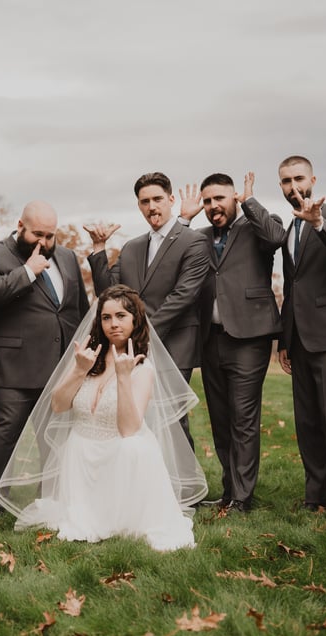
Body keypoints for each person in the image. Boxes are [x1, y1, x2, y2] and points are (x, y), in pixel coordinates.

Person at [0, 285, 207, 551]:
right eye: (106, 317)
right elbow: (58, 406)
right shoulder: (88, 357)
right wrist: (79, 370)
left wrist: (123, 377)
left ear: (135, 320)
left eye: (121, 316)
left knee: (132, 446)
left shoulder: (142, 366)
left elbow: (129, 428)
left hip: (122, 456)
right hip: (81, 456)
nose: (113, 324)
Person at [253, 155, 326, 516]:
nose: (293, 186)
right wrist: (285, 340)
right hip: (299, 339)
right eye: (285, 181)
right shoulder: (289, 228)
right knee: (307, 420)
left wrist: (319, 224)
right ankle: (315, 495)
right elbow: (293, 285)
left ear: (313, 178)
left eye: (298, 178)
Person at [177, 172, 285, 512]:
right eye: (207, 201)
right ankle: (229, 490)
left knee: (243, 418)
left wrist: (251, 201)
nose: (212, 206)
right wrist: (183, 218)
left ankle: (242, 496)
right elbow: (170, 254)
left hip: (249, 337)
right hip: (210, 340)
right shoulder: (199, 236)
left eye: (218, 199)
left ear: (234, 198)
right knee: (221, 419)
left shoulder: (257, 224)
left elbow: (276, 237)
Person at [0, 201, 89, 511]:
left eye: (50, 235)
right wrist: (27, 272)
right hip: (14, 367)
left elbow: (76, 309)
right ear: (20, 225)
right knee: (5, 436)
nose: (44, 242)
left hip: (61, 366)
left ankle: (51, 496)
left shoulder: (66, 256)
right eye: (37, 234)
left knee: (54, 437)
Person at [85, 172, 211, 449]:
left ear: (170, 199)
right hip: (132, 348)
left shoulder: (193, 242)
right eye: (145, 202)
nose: (152, 207)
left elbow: (184, 295)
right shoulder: (131, 247)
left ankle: (182, 490)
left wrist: (142, 333)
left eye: (157, 199)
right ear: (139, 205)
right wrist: (99, 249)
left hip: (174, 343)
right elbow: (109, 294)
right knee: (135, 416)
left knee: (170, 420)